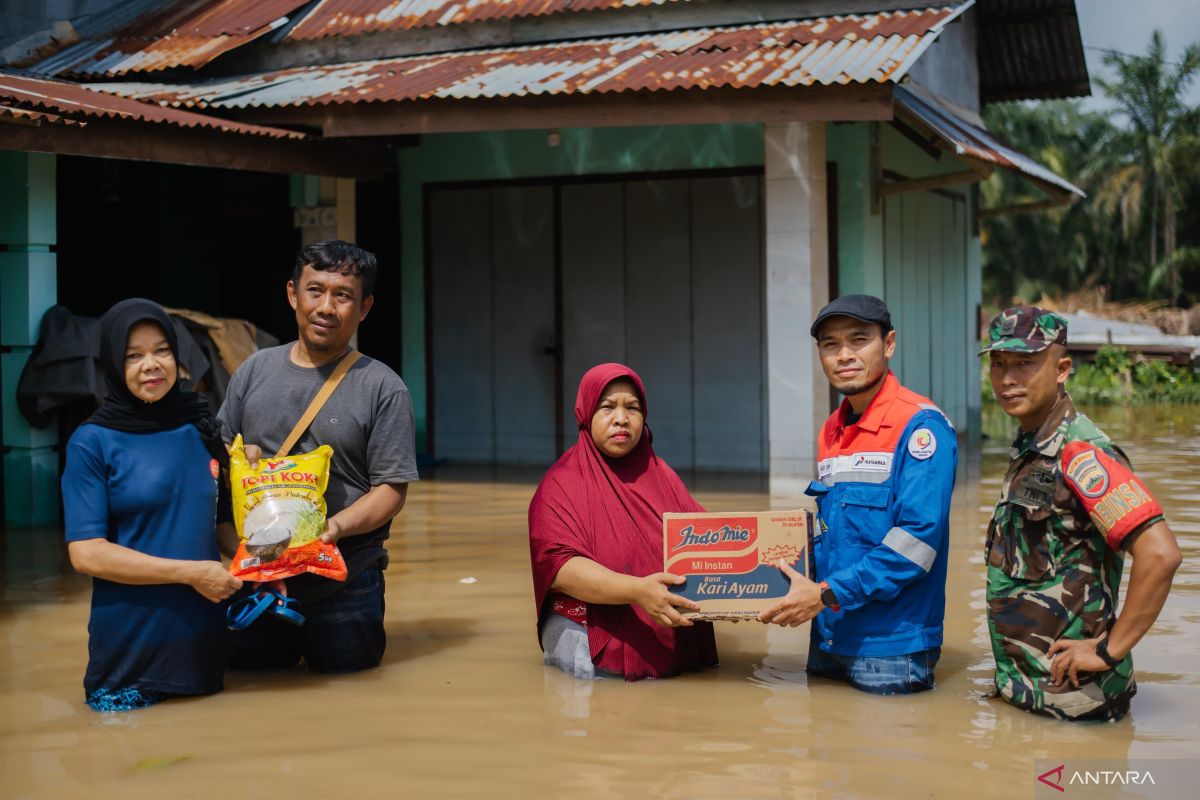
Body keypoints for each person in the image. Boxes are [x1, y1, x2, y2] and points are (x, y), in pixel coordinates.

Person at [218, 240, 419, 673]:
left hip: (346, 578)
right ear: (293, 294)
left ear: (364, 307)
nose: (326, 306)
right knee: (253, 690)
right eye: (315, 291)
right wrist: (239, 456)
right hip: (260, 577)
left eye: (342, 295)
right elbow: (217, 467)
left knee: (352, 699)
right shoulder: (253, 371)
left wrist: (334, 528)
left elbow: (391, 489)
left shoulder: (383, 388)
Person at [982, 307, 1181, 721]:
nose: (1007, 378)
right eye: (998, 364)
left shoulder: (1081, 453)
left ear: (1062, 369)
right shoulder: (1034, 446)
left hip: (1076, 705)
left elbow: (1160, 554)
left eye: (1025, 363)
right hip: (1031, 695)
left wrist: (1108, 651)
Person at [759, 294, 957, 695]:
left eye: (858, 339)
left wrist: (826, 594)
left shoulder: (921, 427)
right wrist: (751, 580)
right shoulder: (831, 428)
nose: (844, 355)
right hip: (829, 636)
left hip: (891, 650)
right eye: (830, 344)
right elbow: (835, 532)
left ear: (889, 344)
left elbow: (917, 542)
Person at [62, 299, 242, 712]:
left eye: (161, 350)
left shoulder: (201, 428)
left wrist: (262, 565)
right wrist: (190, 574)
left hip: (203, 651)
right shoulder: (92, 443)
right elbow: (86, 553)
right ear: (110, 363)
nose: (151, 365)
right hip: (129, 658)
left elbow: (219, 527)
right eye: (133, 355)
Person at [528, 363, 718, 681]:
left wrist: (732, 598)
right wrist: (637, 591)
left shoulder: (662, 476)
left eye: (632, 408)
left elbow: (706, 540)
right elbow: (558, 567)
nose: (621, 419)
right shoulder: (561, 483)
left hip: (667, 639)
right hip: (587, 646)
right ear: (586, 413)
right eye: (607, 407)